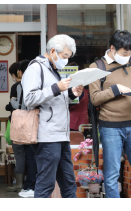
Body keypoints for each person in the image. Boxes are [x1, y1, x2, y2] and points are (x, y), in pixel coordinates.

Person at [22, 34, 83, 198]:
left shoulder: (54, 69)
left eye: (68, 57)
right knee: (46, 185)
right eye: (65, 56)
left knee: (69, 184)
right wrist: (57, 88)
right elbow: (29, 99)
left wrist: (71, 93)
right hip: (47, 135)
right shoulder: (35, 68)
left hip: (61, 135)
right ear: (54, 51)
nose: (66, 60)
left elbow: (54, 98)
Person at [89, 30, 131, 198]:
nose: (127, 56)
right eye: (124, 53)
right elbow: (94, 99)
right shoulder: (97, 67)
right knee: (112, 175)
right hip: (111, 127)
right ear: (113, 49)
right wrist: (115, 90)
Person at [10, 60, 37, 198]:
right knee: (33, 157)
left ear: (20, 72)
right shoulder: (38, 83)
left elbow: (20, 104)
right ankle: (30, 185)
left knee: (29, 157)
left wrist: (12, 101)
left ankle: (30, 186)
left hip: (26, 125)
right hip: (38, 123)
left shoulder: (22, 85)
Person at [6, 62, 25, 192]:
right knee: (29, 155)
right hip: (31, 125)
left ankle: (19, 183)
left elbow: (14, 106)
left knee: (19, 154)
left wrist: (8, 106)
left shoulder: (16, 87)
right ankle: (28, 182)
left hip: (18, 124)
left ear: (16, 73)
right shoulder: (33, 85)